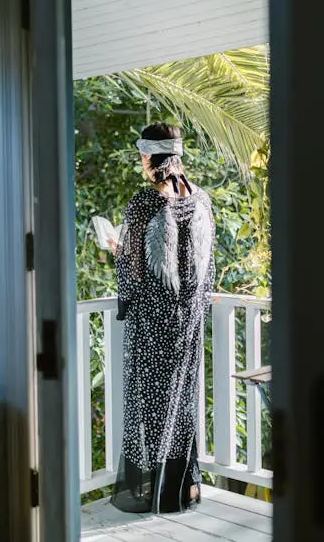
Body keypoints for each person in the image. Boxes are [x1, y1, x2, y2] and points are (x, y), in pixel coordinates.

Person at [109, 122, 216, 514]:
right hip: (187, 324)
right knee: (182, 403)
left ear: (150, 157)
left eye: (142, 154)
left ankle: (158, 495)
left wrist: (115, 250)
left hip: (153, 325)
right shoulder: (201, 199)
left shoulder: (144, 203)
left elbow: (132, 272)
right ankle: (184, 488)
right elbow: (208, 268)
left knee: (152, 406)